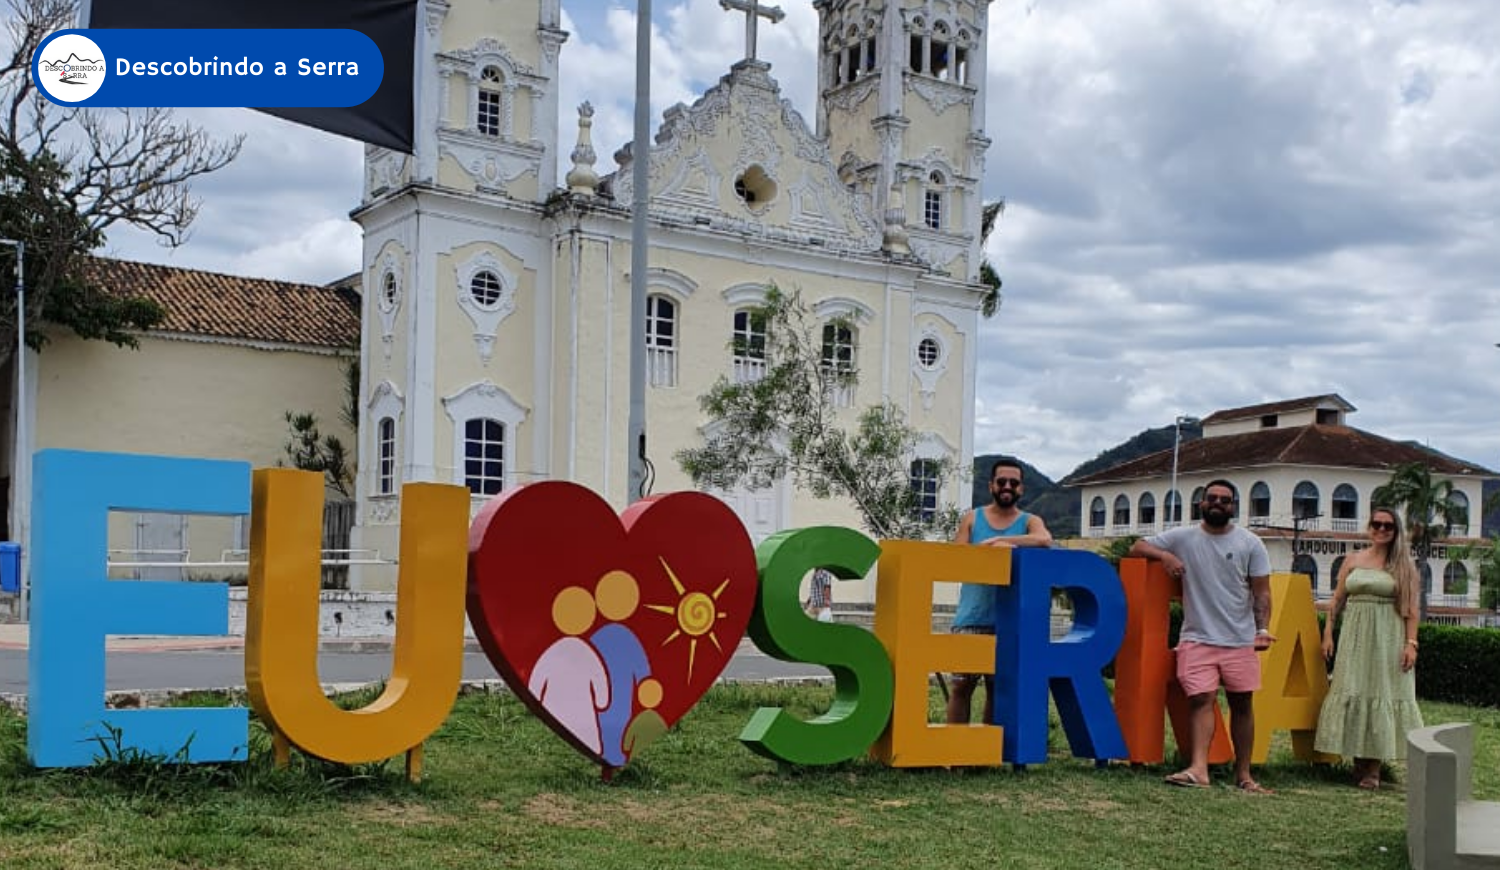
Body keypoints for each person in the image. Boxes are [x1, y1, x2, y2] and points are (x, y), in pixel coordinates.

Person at [1129, 479, 1275, 794]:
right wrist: (1165, 556)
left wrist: (1262, 630)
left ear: (1233, 506)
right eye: (1212, 498)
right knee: (1200, 700)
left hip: (1239, 639)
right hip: (1197, 637)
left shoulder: (1250, 543)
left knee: (1242, 703)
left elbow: (1262, 593)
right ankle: (1198, 769)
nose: (1218, 503)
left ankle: (1244, 775)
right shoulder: (1183, 537)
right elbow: (1137, 546)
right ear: (1201, 503)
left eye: (1225, 499)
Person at [1314, 507, 1423, 790]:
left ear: (1396, 531)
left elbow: (1412, 610)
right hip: (1354, 635)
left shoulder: (1404, 566)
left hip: (1388, 636)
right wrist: (1328, 633)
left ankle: (1373, 768)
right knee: (1354, 687)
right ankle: (1358, 760)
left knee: (1380, 690)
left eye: (1388, 526)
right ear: (1369, 527)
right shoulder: (1353, 559)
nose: (1381, 529)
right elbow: (1337, 600)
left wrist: (1411, 644)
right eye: (1377, 524)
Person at [946, 458, 1053, 725]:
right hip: (971, 618)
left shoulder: (1030, 521)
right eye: (1002, 481)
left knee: (997, 689)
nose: (1007, 486)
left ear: (1021, 488)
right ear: (991, 485)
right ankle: (954, 748)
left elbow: (1044, 540)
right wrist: (986, 550)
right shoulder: (973, 518)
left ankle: (987, 749)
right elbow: (955, 558)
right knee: (961, 687)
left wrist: (1001, 540)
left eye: (1013, 483)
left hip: (1008, 622)